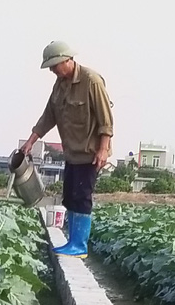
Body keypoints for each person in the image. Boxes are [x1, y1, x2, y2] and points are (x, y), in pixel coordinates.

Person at [20, 41, 112, 257]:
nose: (52, 70)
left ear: (66, 60)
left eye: (54, 66)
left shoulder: (92, 81)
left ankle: (79, 246)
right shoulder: (60, 85)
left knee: (81, 196)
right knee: (70, 196)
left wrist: (103, 149)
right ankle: (72, 241)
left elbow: (106, 120)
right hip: (72, 152)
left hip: (90, 152)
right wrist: (31, 141)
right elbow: (48, 116)